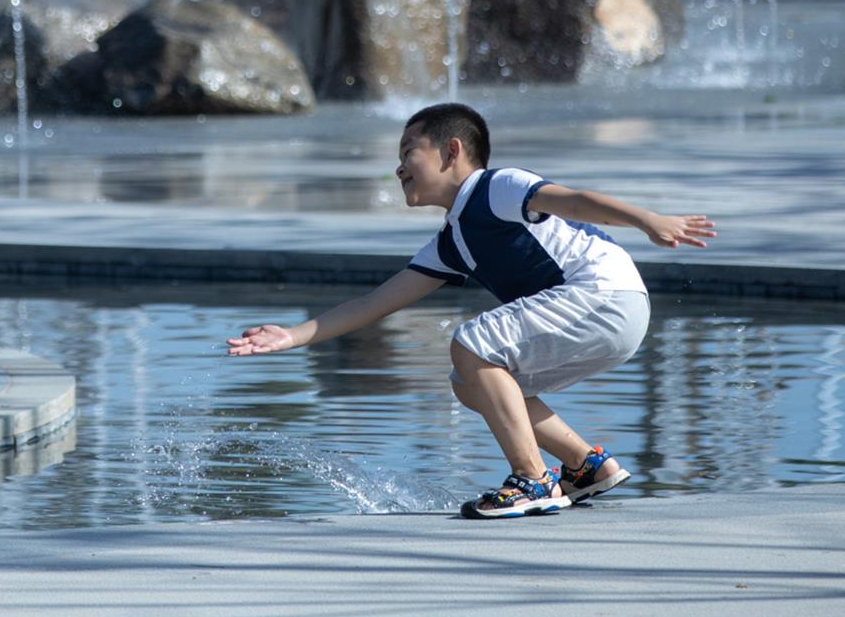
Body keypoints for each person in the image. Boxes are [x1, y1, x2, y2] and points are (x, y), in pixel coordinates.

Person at [225, 103, 714, 518]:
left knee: (472, 344)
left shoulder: (495, 187)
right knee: (470, 382)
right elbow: (374, 303)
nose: (398, 169)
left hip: (603, 295)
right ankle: (586, 465)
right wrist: (291, 335)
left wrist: (648, 220)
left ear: (452, 151)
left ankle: (532, 481)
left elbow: (576, 200)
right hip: (612, 312)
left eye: (407, 154)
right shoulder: (453, 240)